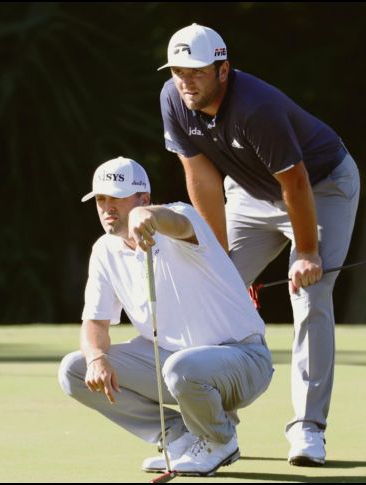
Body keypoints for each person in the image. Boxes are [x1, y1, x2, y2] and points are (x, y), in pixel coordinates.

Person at [158, 24, 360, 466]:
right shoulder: (173, 99)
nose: (185, 81)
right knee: (212, 289)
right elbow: (201, 178)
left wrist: (307, 252)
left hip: (322, 187)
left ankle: (308, 429)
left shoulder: (256, 107)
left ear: (223, 69)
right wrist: (219, 261)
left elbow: (297, 181)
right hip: (251, 194)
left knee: (310, 292)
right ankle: (213, 427)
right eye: (177, 71)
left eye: (195, 71)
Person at [58, 156, 273, 477]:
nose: (107, 207)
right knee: (74, 370)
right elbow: (95, 322)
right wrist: (97, 358)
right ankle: (180, 435)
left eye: (117, 197)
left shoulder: (180, 219)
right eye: (101, 199)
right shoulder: (104, 250)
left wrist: (149, 216)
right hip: (175, 364)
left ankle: (219, 440)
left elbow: (176, 222)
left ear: (143, 198)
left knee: (180, 368)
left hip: (242, 360)